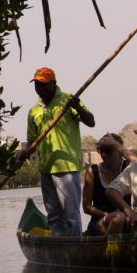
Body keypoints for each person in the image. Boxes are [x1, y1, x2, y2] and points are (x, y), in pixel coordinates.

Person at [24, 67, 95, 236]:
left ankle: (75, 248)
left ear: (53, 84)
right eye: (37, 85)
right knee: (54, 216)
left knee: (70, 215)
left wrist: (77, 107)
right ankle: (60, 248)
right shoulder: (34, 110)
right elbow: (31, 139)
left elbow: (91, 122)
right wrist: (26, 151)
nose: (39, 89)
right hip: (46, 169)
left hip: (67, 168)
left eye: (43, 85)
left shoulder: (68, 100)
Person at [82, 133, 135, 236]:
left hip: (127, 220)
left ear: (119, 152)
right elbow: (87, 207)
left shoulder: (128, 167)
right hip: (100, 221)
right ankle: (107, 250)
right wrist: (107, 215)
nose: (103, 154)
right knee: (118, 218)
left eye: (108, 150)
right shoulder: (92, 172)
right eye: (101, 150)